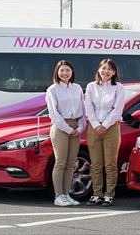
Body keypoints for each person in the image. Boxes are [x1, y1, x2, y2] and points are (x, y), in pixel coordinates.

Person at [84, 58, 126, 207]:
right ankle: (97, 194)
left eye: (109, 69)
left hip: (112, 128)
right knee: (95, 164)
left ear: (114, 72)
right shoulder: (91, 87)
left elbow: (117, 109)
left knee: (110, 164)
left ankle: (109, 194)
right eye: (103, 68)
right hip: (94, 128)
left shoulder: (118, 87)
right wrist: (96, 125)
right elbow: (88, 108)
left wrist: (105, 125)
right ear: (99, 70)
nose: (106, 71)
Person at [45, 60, 85, 207]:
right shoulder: (52, 89)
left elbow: (83, 109)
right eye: (62, 70)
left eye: (67, 70)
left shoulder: (77, 88)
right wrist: (69, 129)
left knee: (70, 164)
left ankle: (67, 194)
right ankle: (58, 195)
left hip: (76, 127)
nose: (65, 73)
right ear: (57, 72)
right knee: (60, 162)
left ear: (72, 72)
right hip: (61, 127)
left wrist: (80, 127)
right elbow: (54, 114)